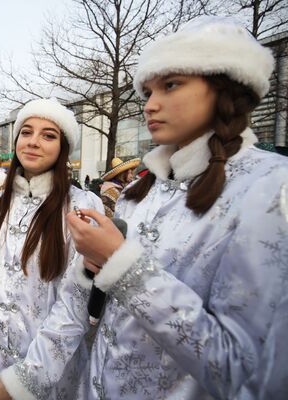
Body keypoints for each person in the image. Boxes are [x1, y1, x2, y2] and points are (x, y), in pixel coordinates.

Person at [67, 16, 288, 399]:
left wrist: (121, 263)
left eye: (170, 85)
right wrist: (95, 265)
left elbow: (247, 372)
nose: (151, 105)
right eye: (147, 92)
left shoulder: (272, 188)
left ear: (225, 87)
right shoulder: (143, 186)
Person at [0, 98, 104, 399]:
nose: (33, 142)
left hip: (52, 375)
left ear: (63, 147)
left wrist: (25, 380)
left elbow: (76, 301)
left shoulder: (82, 206)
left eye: (48, 135)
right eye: (26, 132)